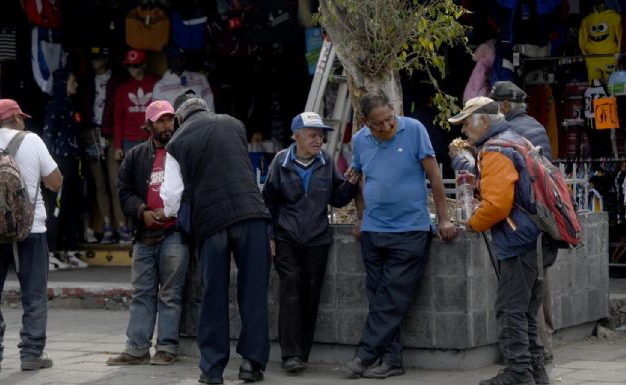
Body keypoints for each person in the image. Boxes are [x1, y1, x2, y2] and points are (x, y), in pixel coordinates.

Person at [344, 93, 457, 379]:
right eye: (378, 124)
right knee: (379, 297)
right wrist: (360, 219)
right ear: (365, 123)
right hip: (373, 230)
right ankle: (391, 361)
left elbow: (434, 176)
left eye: (389, 119)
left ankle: (364, 355)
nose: (386, 127)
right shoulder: (359, 141)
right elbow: (357, 183)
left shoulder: (414, 130)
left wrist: (443, 217)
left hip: (410, 230)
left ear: (394, 112)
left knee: (392, 296)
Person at [167, 92, 271, 385]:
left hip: (212, 224)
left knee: (214, 295)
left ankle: (212, 369)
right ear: (205, 108)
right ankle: (251, 364)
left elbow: (172, 197)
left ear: (178, 119)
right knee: (253, 292)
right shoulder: (234, 124)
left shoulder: (176, 143)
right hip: (251, 214)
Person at [450, 80, 557, 364]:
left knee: (511, 310)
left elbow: (497, 205)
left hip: (518, 241)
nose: (463, 131)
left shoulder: (495, 148)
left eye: (466, 124)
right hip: (535, 240)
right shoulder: (515, 139)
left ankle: (518, 372)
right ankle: (535, 372)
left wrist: (472, 223)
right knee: (525, 311)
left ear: (483, 121)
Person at [0, 99, 63, 373]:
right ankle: (32, 354)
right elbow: (56, 182)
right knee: (33, 296)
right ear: (17, 118)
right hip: (30, 231)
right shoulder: (32, 141)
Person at [262, 112, 359, 373]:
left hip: (317, 238)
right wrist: (269, 235)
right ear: (297, 136)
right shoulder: (281, 162)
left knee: (310, 294)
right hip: (286, 237)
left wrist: (350, 184)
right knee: (290, 289)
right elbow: (267, 202)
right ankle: (290, 355)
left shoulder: (326, 162)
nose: (319, 140)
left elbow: (337, 199)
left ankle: (301, 354)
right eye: (313, 135)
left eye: (321, 136)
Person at [107, 100, 190, 366]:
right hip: (143, 235)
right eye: (161, 121)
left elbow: (194, 190)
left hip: (174, 233)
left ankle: (166, 348)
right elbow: (124, 191)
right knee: (142, 293)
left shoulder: (183, 152)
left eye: (169, 120)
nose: (166, 126)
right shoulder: (135, 156)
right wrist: (142, 211)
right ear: (149, 125)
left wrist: (173, 213)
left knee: (170, 294)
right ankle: (137, 348)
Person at [112, 48, 159, 243]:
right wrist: (117, 145)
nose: (132, 69)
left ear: (144, 65)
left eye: (136, 65)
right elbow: (118, 120)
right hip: (130, 141)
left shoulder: (156, 83)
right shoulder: (122, 89)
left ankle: (154, 223)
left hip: (151, 139)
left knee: (154, 182)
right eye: (129, 65)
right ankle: (132, 229)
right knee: (131, 185)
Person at [43, 69, 88, 269]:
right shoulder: (54, 106)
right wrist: (48, 164)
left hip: (75, 162)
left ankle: (69, 250)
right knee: (56, 207)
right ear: (62, 83)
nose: (75, 85)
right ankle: (51, 252)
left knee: (72, 206)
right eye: (72, 81)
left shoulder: (73, 105)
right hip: (59, 161)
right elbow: (48, 136)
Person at [79, 46, 124, 244]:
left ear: (106, 59)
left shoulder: (117, 80)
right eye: (93, 58)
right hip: (91, 133)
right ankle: (107, 225)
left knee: (116, 182)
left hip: (111, 134)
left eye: (99, 58)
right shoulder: (86, 80)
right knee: (99, 183)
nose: (95, 62)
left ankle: (122, 225)